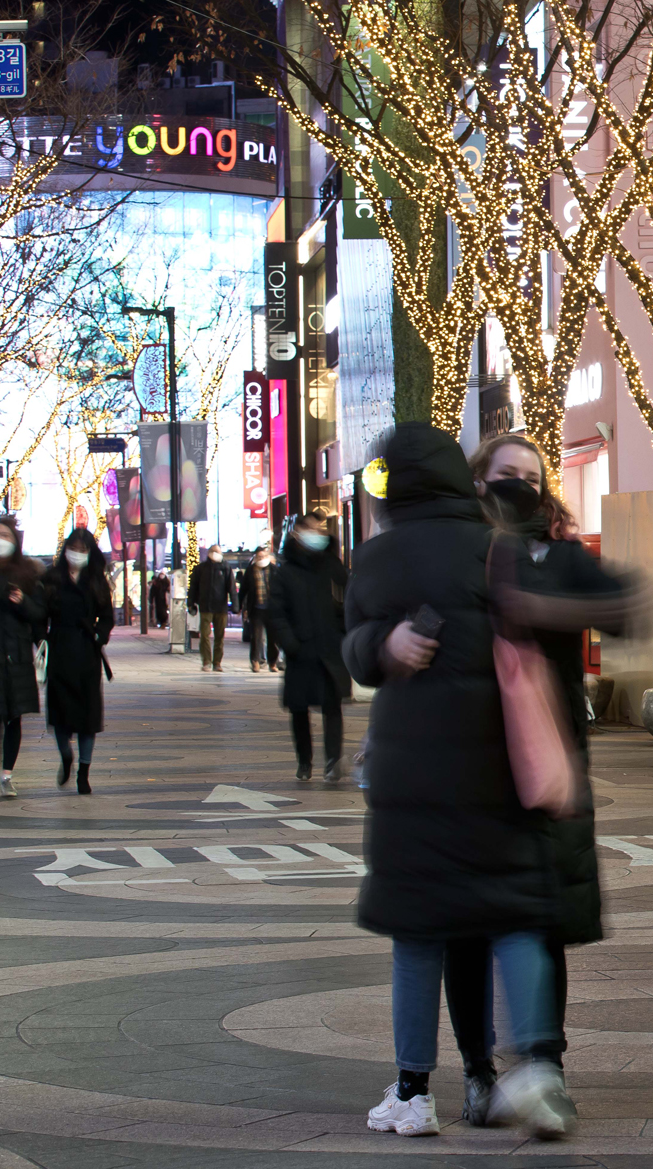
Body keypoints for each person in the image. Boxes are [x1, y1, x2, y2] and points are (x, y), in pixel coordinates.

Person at [343, 423, 571, 1141]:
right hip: (497, 766)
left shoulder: (376, 556)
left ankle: (413, 1091)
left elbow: (354, 649)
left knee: (416, 934)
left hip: (413, 777)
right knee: (514, 917)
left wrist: (383, 645)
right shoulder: (497, 547)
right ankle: (533, 1067)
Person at [439, 433, 638, 1126]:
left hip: (546, 771)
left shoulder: (561, 554)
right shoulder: (455, 551)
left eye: (531, 477)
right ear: (477, 481)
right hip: (466, 767)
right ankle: (475, 1070)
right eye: (505, 476)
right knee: (465, 929)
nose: (520, 487)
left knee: (541, 920)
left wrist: (537, 605)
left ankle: (547, 1068)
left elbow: (624, 605)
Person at [266, 512, 349, 781]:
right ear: (297, 535)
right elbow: (276, 613)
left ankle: (333, 761)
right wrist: (290, 643)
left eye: (319, 529)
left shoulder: (333, 567)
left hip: (329, 650)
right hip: (300, 652)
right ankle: (305, 762)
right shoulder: (286, 572)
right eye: (310, 530)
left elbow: (349, 599)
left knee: (332, 706)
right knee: (299, 709)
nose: (317, 534)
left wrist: (344, 632)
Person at [41, 529, 112, 796]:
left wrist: (99, 635)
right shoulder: (52, 578)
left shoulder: (96, 581)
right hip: (59, 650)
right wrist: (41, 640)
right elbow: (41, 614)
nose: (77, 554)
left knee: (87, 716)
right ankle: (65, 755)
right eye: (74, 548)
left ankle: (84, 772)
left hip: (87, 653)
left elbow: (106, 616)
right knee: (60, 712)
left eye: (83, 550)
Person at [0, 518, 44, 797]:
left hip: (17, 657)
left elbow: (39, 615)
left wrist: (22, 600)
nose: (0, 539)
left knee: (13, 717)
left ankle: (7, 774)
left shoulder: (26, 574)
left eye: (5, 535)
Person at [187, 544, 232, 672]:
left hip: (221, 607)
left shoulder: (225, 568)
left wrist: (235, 605)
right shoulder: (201, 569)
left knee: (220, 636)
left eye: (217, 551)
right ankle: (206, 661)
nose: (215, 553)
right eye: (213, 551)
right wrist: (191, 603)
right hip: (205, 606)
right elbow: (193, 588)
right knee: (205, 635)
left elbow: (231, 588)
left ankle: (217, 662)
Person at [240, 544, 280, 673]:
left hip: (272, 609)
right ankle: (255, 661)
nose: (261, 558)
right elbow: (244, 590)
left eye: (263, 556)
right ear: (255, 558)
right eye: (259, 556)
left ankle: (272, 663)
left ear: (267, 557)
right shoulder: (251, 570)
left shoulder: (274, 570)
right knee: (256, 638)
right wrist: (240, 606)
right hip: (256, 608)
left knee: (273, 638)